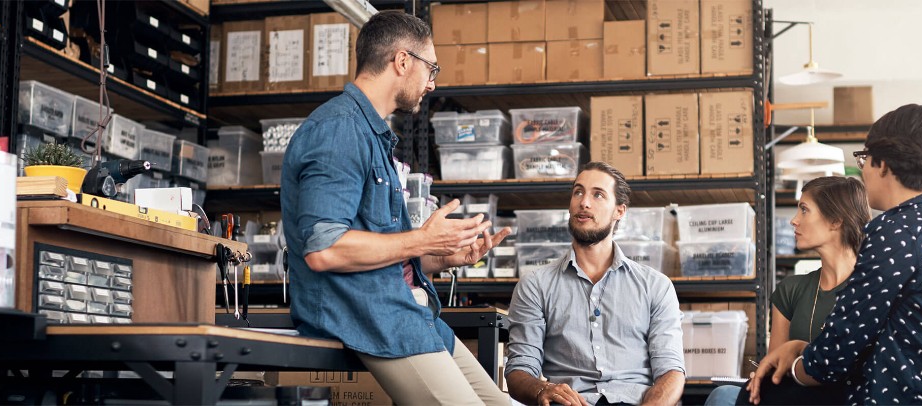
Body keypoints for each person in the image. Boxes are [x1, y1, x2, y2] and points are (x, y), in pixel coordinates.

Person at [279, 10, 511, 404]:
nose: (433, 83)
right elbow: (324, 249)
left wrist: (439, 256)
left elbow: (384, 252)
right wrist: (421, 239)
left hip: (408, 312)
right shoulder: (339, 130)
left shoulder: (372, 136)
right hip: (372, 317)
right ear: (402, 61)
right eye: (431, 68)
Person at [749, 104, 922, 404]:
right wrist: (803, 350)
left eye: (864, 158)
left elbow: (834, 356)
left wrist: (793, 365)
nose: (863, 170)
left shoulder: (894, 230)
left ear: (883, 164)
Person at [506, 161, 685, 406]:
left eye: (598, 194)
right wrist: (542, 390)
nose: (584, 202)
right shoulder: (535, 286)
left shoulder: (656, 287)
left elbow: (671, 371)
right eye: (578, 192)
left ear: (619, 211)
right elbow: (519, 371)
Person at [704, 176, 869, 405]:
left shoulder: (871, 290)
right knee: (722, 396)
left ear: (835, 220)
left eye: (804, 210)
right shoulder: (790, 290)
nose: (793, 221)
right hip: (795, 397)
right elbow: (776, 373)